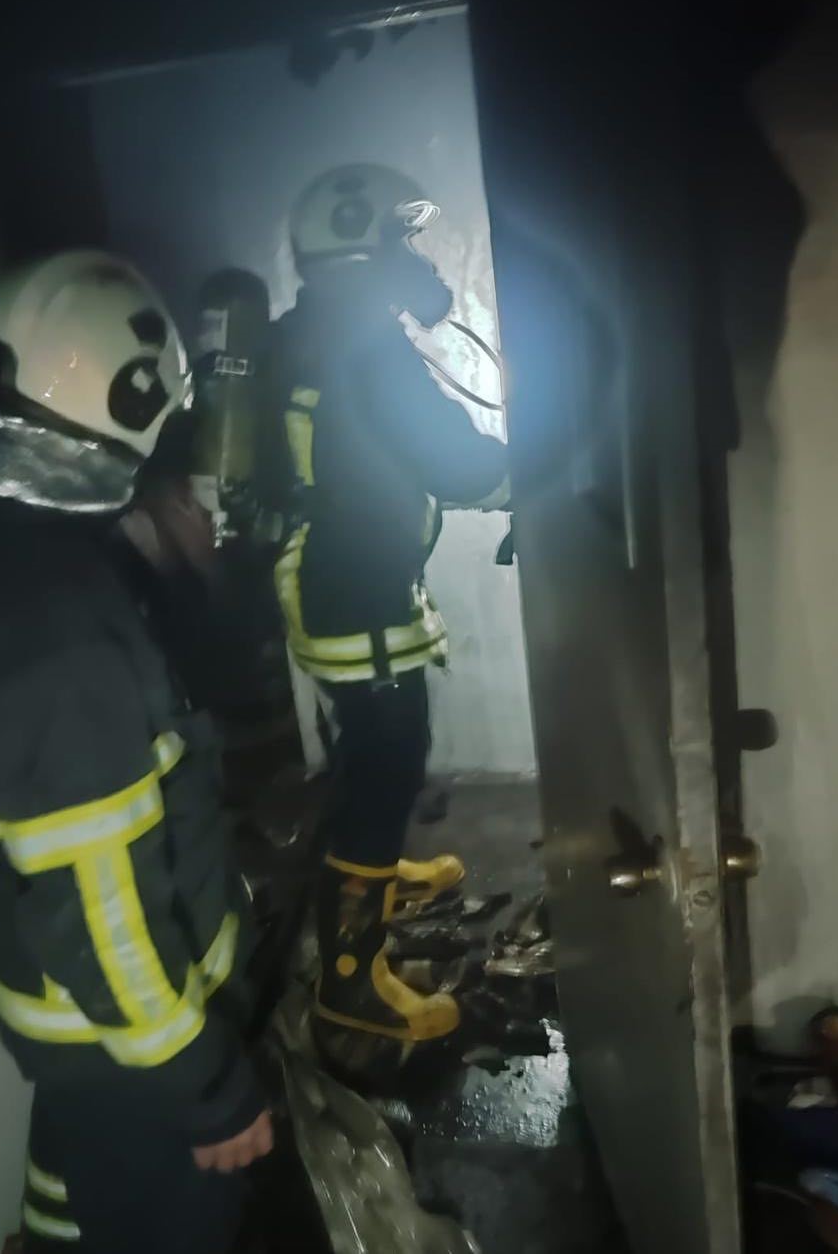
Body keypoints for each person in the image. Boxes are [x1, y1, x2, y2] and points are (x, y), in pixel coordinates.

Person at [0, 250, 271, 1254]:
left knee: (80, 1182)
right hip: (132, 1044)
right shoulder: (55, 634)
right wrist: (209, 1090)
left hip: (59, 1023)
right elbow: (105, 920)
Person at [265, 164, 509, 1042]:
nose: (421, 262)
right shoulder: (365, 349)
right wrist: (534, 476)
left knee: (367, 749)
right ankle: (351, 982)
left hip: (332, 578)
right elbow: (459, 463)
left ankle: (366, 874)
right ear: (366, 254)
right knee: (390, 756)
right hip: (353, 587)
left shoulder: (307, 335)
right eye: (406, 243)